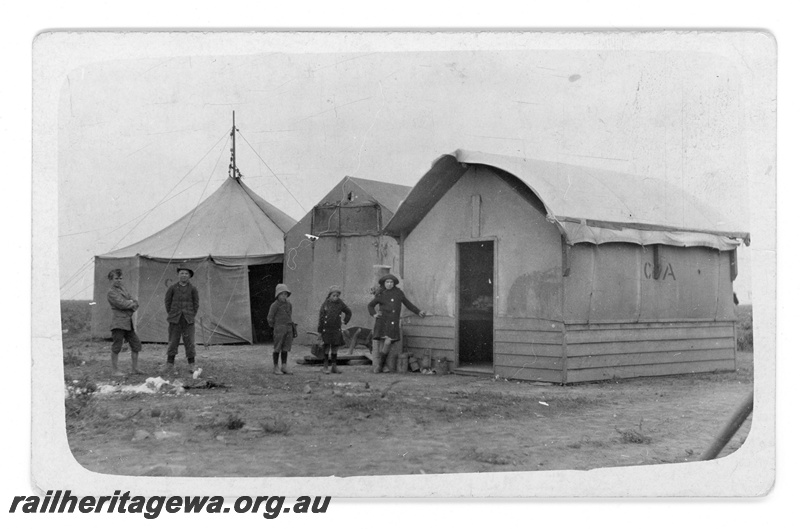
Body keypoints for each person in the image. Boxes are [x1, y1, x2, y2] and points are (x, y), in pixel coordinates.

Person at [367, 274, 428, 373]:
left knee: (388, 342)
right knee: (382, 342)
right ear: (384, 283)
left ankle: (381, 365)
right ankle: (381, 366)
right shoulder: (381, 294)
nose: (389, 284)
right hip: (382, 321)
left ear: (394, 283)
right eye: (387, 282)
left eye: (391, 282)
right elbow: (370, 305)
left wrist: (418, 311)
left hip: (392, 321)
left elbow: (407, 304)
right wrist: (374, 314)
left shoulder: (398, 293)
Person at [163, 266, 200, 375]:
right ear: (178, 275)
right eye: (182, 273)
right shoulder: (172, 288)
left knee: (190, 342)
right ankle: (170, 364)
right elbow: (167, 303)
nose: (183, 275)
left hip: (188, 320)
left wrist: (191, 315)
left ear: (189, 276)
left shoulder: (193, 289)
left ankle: (192, 364)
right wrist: (173, 314)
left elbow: (196, 304)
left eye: (186, 273)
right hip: (175, 319)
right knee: (173, 341)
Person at [106, 269, 143, 376]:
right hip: (118, 322)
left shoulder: (123, 289)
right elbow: (121, 304)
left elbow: (134, 302)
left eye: (120, 278)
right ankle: (115, 370)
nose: (118, 281)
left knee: (136, 344)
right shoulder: (111, 292)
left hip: (128, 322)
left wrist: (130, 303)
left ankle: (134, 368)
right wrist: (130, 303)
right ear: (110, 280)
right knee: (117, 346)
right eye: (116, 278)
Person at [317, 286, 352, 374]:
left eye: (337, 295)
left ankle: (334, 366)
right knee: (326, 348)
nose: (335, 297)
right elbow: (321, 318)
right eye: (334, 295)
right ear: (329, 295)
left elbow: (349, 312)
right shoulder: (325, 304)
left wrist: (345, 321)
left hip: (336, 330)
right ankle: (325, 366)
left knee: (335, 348)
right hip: (327, 330)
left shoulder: (340, 303)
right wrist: (320, 332)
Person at [267, 284, 295, 375]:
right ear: (277, 295)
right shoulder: (274, 305)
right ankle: (275, 366)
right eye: (282, 294)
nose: (284, 296)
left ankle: (284, 366)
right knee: (277, 347)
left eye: (285, 294)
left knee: (285, 348)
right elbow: (270, 318)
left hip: (288, 328)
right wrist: (275, 326)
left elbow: (289, 314)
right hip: (279, 328)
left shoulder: (289, 304)